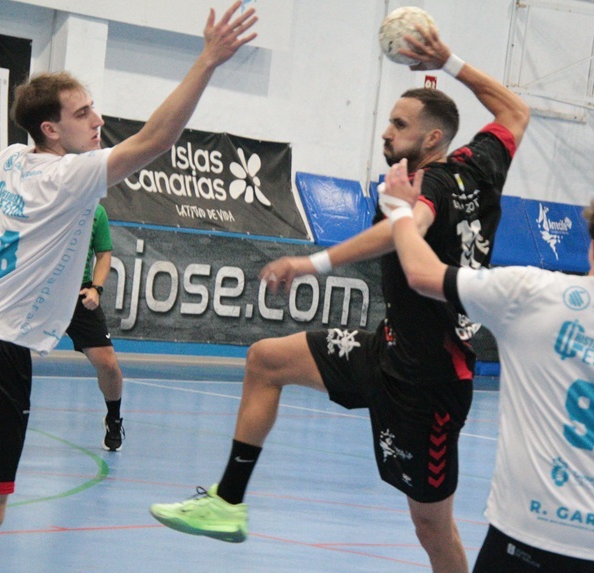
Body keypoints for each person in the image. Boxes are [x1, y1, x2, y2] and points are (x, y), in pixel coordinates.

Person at [149, 22, 530, 573]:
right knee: (265, 360)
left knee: (432, 527)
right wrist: (449, 61)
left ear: (431, 139)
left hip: (430, 382)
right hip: (389, 349)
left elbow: (405, 229)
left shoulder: (432, 184)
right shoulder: (480, 165)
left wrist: (313, 262)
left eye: (399, 125)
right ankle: (227, 503)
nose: (387, 132)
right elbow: (515, 111)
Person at [0, 1, 257, 549]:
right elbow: (157, 140)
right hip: (1, 351)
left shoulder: (5, 161)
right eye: (83, 113)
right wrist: (207, 60)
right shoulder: (68, 176)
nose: (98, 119)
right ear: (51, 129)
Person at [381, 164, 594, 573]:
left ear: (593, 244)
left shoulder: (531, 293)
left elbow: (421, 275)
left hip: (525, 534)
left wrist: (400, 211)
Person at [65, 203, 125, 451]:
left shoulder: (96, 211)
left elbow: (103, 255)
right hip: (38, 290)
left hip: (78, 294)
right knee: (2, 352)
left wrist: (96, 289)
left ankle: (113, 418)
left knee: (108, 364)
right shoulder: (41, 199)